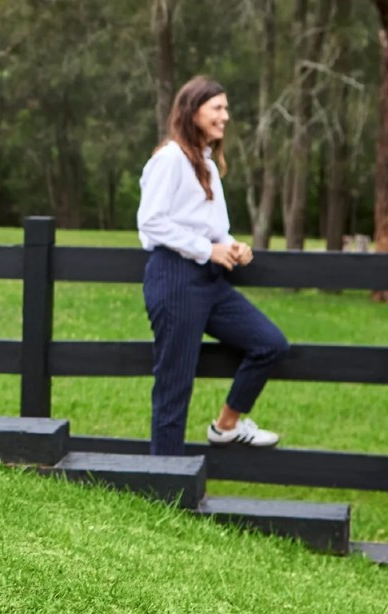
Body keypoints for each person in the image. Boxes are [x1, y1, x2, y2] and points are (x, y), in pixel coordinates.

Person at [137, 76, 290, 457]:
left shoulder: (205, 161)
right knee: (175, 384)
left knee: (269, 344)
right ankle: (165, 483)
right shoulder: (170, 158)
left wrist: (230, 245)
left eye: (226, 108)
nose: (226, 115)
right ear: (193, 111)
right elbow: (151, 222)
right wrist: (207, 249)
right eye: (217, 108)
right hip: (174, 278)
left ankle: (227, 425)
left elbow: (206, 225)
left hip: (209, 280)